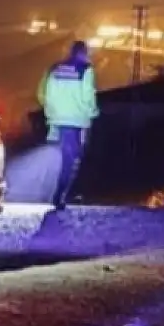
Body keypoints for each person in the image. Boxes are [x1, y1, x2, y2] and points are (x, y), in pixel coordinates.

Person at [37, 40, 99, 209]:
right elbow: (88, 97)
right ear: (83, 53)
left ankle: (57, 192)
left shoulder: (55, 69)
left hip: (56, 121)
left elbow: (47, 95)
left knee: (61, 158)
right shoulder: (86, 70)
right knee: (72, 160)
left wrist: (51, 115)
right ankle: (60, 194)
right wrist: (93, 113)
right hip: (76, 122)